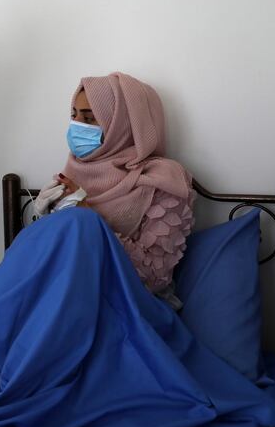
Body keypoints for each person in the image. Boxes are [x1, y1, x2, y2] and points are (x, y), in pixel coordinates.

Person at [35, 72, 194, 307]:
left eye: (89, 119)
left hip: (125, 306)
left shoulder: (162, 182)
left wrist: (88, 217)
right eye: (74, 115)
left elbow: (155, 278)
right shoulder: (73, 172)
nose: (77, 126)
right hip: (62, 294)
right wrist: (42, 220)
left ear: (124, 124)